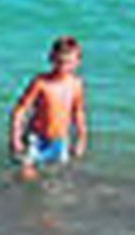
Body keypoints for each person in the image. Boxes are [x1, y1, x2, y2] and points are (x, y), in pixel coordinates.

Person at [8, 36, 88, 180]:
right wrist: (15, 137)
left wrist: (81, 138)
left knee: (56, 179)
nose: (63, 67)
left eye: (68, 63)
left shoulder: (76, 85)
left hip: (60, 140)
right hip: (36, 139)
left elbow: (78, 112)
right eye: (59, 62)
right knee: (26, 178)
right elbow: (20, 110)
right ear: (51, 59)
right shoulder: (40, 83)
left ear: (77, 62)